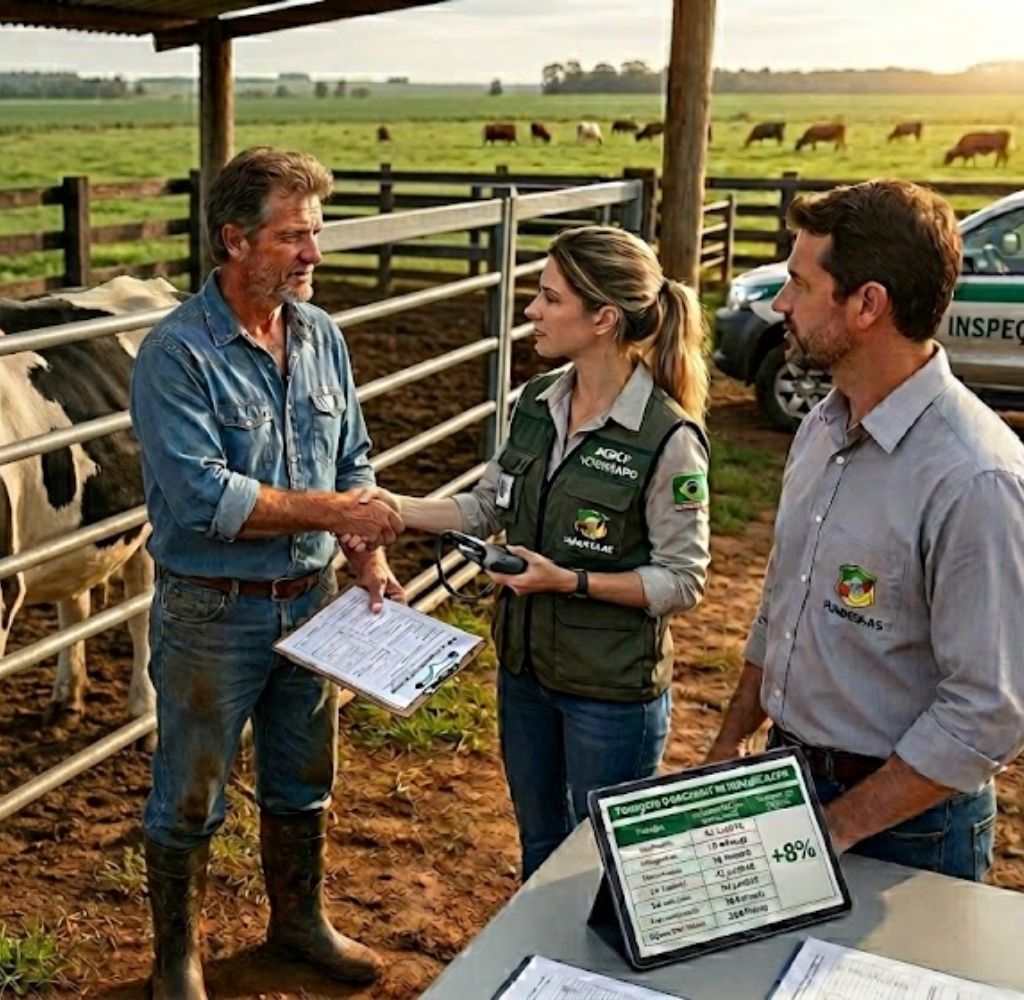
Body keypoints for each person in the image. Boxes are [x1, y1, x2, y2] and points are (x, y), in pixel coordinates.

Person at [128, 147, 402, 999]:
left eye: (315, 234)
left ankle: (299, 923)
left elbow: (350, 457)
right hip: (214, 611)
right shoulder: (177, 354)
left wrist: (371, 555)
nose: (313, 254)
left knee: (304, 776)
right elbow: (206, 495)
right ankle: (178, 960)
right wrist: (337, 516)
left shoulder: (322, 337)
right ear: (235, 240)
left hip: (312, 602)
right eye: (292, 238)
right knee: (189, 794)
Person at [356, 225, 713, 878]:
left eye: (549, 298)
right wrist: (392, 510)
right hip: (524, 675)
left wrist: (569, 582)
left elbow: (682, 581)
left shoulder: (668, 438)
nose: (531, 312)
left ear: (603, 318)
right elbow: (487, 507)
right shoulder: (536, 402)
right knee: (541, 848)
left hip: (609, 694)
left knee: (607, 869)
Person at [704, 179, 1024, 881]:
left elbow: (986, 715)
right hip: (789, 783)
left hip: (905, 831)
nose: (781, 304)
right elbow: (783, 605)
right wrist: (731, 740)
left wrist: (839, 826)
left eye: (799, 284)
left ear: (867, 305)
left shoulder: (976, 479)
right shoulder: (822, 427)